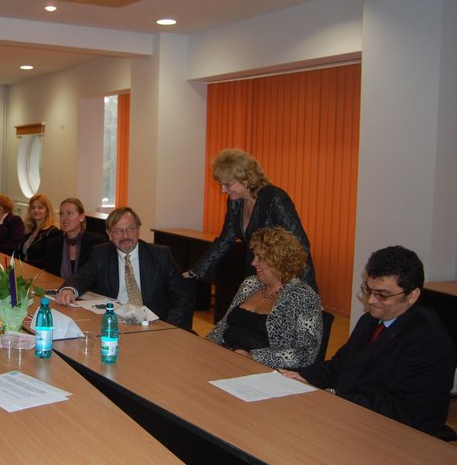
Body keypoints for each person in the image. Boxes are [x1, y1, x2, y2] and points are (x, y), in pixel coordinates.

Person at [281, 246, 456, 436]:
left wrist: (332, 396)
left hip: (395, 434)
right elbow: (338, 366)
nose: (371, 300)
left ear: (412, 296)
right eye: (369, 290)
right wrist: (300, 377)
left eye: (383, 295)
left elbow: (404, 412)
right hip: (351, 416)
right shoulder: (370, 321)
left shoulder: (429, 340)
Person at [188, 149, 317, 290]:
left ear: (245, 179)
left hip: (279, 277)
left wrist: (308, 291)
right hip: (254, 273)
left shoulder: (274, 197)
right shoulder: (235, 202)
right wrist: (196, 271)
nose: (223, 190)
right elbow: (225, 240)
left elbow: (300, 245)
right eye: (221, 184)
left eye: (228, 184)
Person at [55, 207, 192, 328]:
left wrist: (168, 327)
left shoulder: (160, 255)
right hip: (116, 322)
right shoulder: (101, 253)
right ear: (109, 234)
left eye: (130, 229)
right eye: (118, 231)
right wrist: (69, 289)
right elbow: (83, 276)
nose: (125, 236)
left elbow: (183, 297)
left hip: (153, 323)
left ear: (138, 230)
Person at [206, 227, 322, 369]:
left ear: (279, 260)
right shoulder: (250, 284)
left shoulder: (303, 296)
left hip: (263, 370)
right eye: (254, 256)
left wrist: (253, 357)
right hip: (225, 357)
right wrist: (206, 344)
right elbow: (224, 324)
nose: (253, 263)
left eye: (260, 258)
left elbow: (306, 353)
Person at [45, 198, 107, 277]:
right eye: (61, 214)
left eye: (69, 213)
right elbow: (50, 276)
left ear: (81, 217)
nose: (64, 218)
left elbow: (102, 275)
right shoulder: (53, 244)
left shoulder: (97, 242)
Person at [18, 193, 61, 269]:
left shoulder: (53, 233)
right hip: (23, 268)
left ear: (47, 211)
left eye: (40, 207)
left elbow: (47, 260)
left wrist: (24, 265)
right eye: (33, 207)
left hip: (38, 272)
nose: (36, 210)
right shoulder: (29, 229)